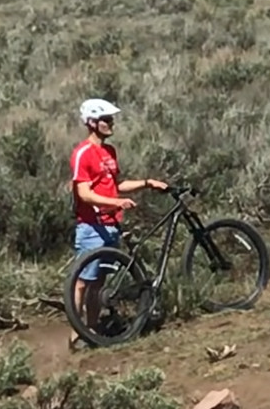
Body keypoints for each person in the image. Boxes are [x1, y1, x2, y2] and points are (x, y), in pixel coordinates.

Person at [69, 98, 168, 351]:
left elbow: (116, 185)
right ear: (92, 123)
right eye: (106, 120)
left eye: (111, 119)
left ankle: (92, 330)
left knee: (99, 281)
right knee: (82, 280)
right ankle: (75, 332)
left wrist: (146, 183)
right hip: (92, 225)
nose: (111, 123)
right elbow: (84, 193)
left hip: (112, 225)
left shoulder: (109, 152)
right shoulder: (83, 153)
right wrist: (115, 202)